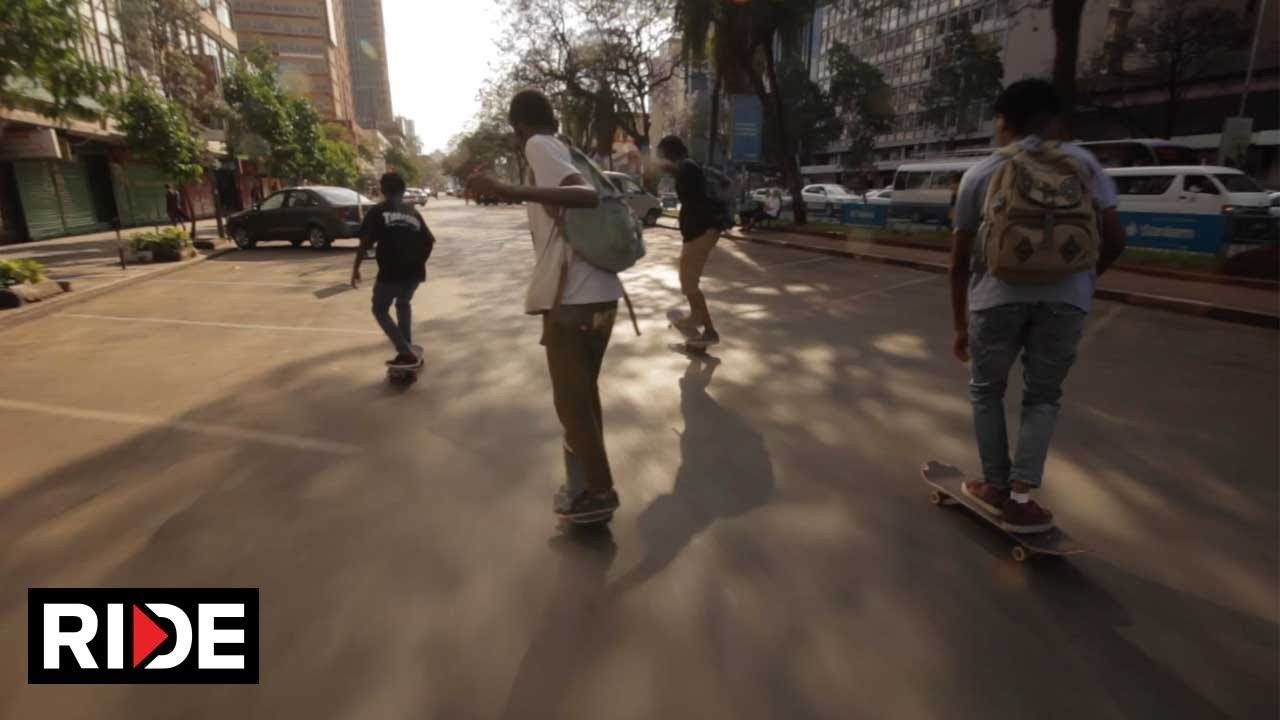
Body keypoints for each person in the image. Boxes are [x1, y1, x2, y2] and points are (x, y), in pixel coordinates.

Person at [948, 78, 1126, 533]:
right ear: (1052, 121)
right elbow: (1116, 239)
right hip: (1066, 301)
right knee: (1043, 396)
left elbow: (960, 260)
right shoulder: (1084, 164)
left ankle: (993, 486)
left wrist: (960, 325)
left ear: (1004, 122)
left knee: (987, 391)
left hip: (996, 298)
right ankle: (1023, 496)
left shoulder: (982, 172)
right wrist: (1082, 282)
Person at [465, 89, 622, 523]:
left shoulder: (539, 146)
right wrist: (511, 191)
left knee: (572, 406)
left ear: (518, 128)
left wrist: (508, 188)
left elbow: (584, 195)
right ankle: (584, 483)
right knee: (583, 401)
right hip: (600, 296)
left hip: (575, 300)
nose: (516, 144)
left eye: (514, 135)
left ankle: (599, 491)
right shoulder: (562, 146)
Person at [351, 171, 435, 368]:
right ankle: (407, 348)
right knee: (403, 304)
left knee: (379, 309)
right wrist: (418, 261)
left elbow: (364, 243)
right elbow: (429, 241)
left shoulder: (377, 212)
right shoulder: (413, 212)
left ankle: (405, 351)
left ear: (382, 190)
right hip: (414, 273)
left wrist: (356, 268)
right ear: (404, 190)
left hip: (391, 274)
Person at [656, 135, 723, 346]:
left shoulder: (687, 166)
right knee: (687, 281)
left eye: (662, 156)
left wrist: (670, 169)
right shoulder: (688, 167)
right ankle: (696, 318)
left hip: (701, 232)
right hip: (699, 232)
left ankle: (710, 331)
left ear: (669, 153)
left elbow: (685, 178)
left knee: (689, 284)